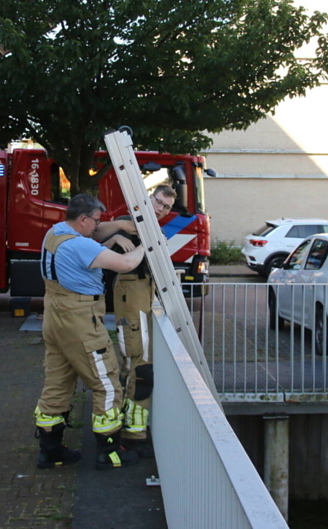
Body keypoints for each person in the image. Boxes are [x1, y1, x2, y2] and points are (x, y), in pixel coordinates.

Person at [34, 194, 145, 471]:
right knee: (106, 384)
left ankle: (50, 452)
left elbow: (93, 246)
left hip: (54, 315)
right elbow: (127, 264)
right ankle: (108, 453)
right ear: (82, 219)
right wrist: (147, 246)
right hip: (80, 319)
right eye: (94, 221)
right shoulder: (80, 245)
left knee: (57, 382)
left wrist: (111, 240)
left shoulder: (54, 234)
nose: (97, 227)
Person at [97, 185, 177, 459]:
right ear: (148, 199)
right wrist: (115, 241)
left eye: (165, 207)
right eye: (158, 202)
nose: (160, 209)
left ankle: (133, 429)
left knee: (137, 364)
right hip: (130, 292)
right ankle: (133, 434)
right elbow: (95, 237)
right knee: (139, 366)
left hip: (142, 292)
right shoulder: (131, 225)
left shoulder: (153, 230)